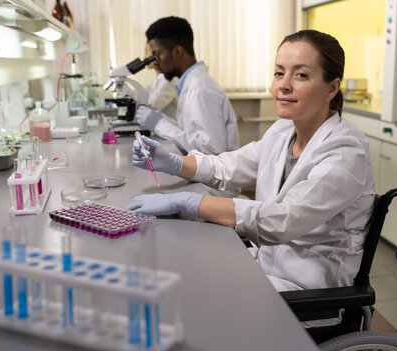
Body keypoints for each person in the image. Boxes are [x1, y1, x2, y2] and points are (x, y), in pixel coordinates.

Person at [127, 29, 376, 292]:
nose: (284, 84)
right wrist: (174, 163)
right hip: (266, 264)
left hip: (307, 288)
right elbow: (228, 166)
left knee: (190, 294)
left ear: (331, 88)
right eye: (279, 73)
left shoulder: (345, 152)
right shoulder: (282, 132)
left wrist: (187, 201)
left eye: (301, 75)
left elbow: (281, 221)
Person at [137, 16, 239, 155]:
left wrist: (160, 124)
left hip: (212, 176)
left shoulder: (201, 89)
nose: (155, 62)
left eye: (157, 54)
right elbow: (190, 134)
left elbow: (212, 150)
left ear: (178, 51)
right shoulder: (189, 86)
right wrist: (162, 120)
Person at [144, 42, 178, 120]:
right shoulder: (160, 78)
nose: (144, 56)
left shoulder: (171, 79)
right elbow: (142, 95)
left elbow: (152, 106)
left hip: (173, 129)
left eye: (146, 52)